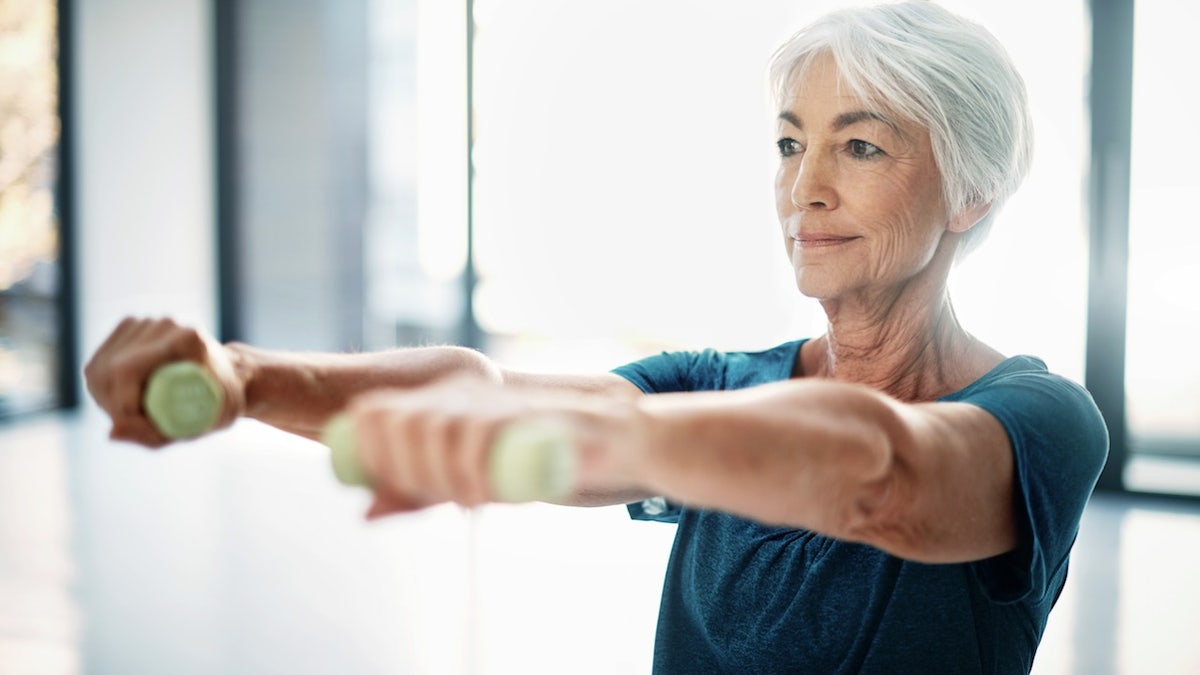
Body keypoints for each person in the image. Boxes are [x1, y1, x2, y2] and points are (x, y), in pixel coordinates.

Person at [84, 1, 1108, 672]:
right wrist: (244, 375)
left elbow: (886, 479)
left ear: (971, 188)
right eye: (791, 144)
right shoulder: (720, 383)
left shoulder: (1041, 419)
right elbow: (484, 387)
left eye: (862, 144)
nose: (806, 188)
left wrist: (638, 443)